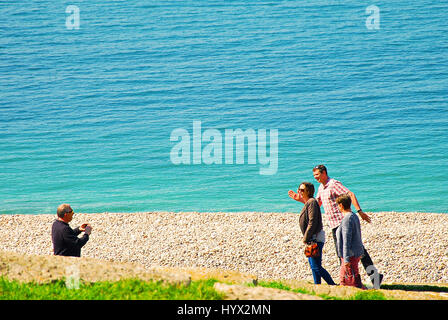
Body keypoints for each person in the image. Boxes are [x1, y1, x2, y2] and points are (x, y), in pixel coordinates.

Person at [312, 164, 383, 287]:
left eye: (317, 175)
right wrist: (303, 201)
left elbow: (350, 194)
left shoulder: (333, 184)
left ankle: (352, 280)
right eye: (314, 176)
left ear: (324, 173)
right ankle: (353, 279)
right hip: (334, 225)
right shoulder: (321, 188)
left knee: (356, 251)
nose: (315, 178)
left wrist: (360, 211)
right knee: (345, 252)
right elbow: (317, 203)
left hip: (343, 222)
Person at [288, 182, 336, 285]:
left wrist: (306, 237)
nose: (299, 191)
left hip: (315, 238)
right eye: (299, 189)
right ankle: (317, 286)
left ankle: (333, 285)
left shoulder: (312, 202)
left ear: (308, 191)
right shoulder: (309, 202)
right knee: (314, 266)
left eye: (302, 190)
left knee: (316, 266)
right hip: (312, 238)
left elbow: (312, 221)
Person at [335, 194, 365, 289]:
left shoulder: (347, 219)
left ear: (341, 206)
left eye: (338, 205)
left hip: (350, 254)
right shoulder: (354, 216)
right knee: (352, 277)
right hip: (355, 252)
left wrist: (346, 258)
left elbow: (346, 240)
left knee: (347, 280)